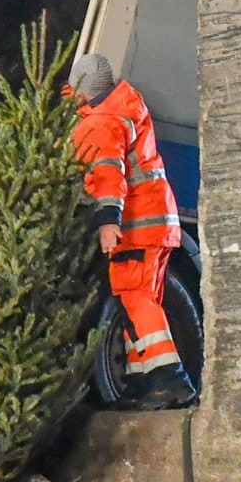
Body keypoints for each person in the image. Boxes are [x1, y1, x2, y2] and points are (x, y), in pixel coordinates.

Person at [68, 53, 197, 410]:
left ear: (85, 88)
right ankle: (144, 382)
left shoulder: (101, 122)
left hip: (135, 226)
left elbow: (107, 174)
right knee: (141, 301)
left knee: (135, 297)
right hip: (158, 224)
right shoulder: (125, 107)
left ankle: (171, 380)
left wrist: (108, 222)